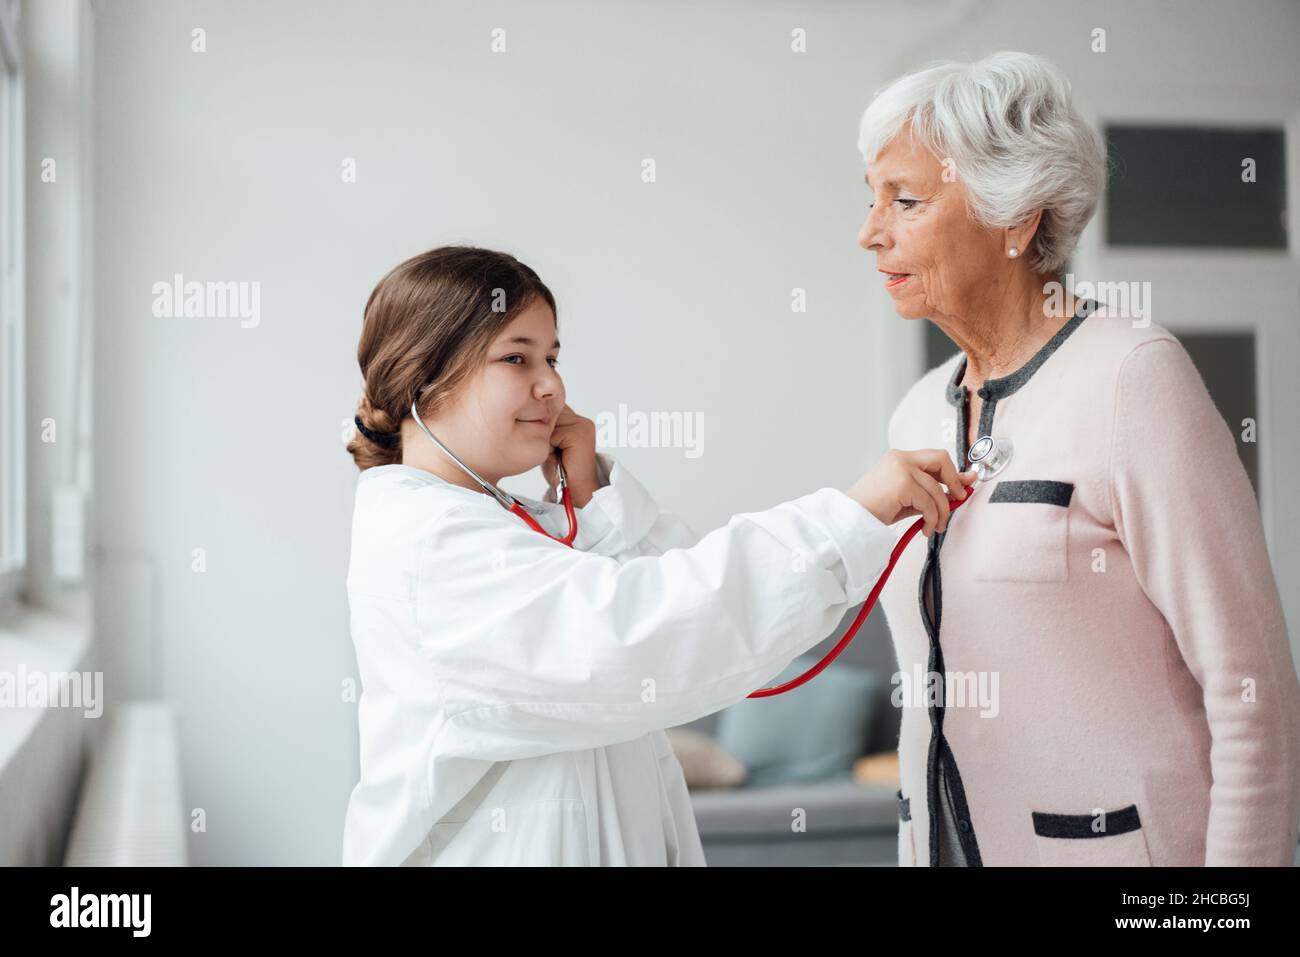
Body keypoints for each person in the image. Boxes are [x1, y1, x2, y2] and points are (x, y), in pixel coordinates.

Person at [341, 244, 975, 865]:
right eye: (517, 358)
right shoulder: (434, 546)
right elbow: (644, 633)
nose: (552, 388)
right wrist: (848, 518)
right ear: (422, 378)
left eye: (554, 358)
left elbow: (666, 580)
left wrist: (592, 496)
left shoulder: (499, 522)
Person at [859, 51, 1300, 865]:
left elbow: (1252, 692)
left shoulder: (1135, 378)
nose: (869, 232)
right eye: (872, 198)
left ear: (1015, 219)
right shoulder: (917, 410)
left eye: (907, 201)